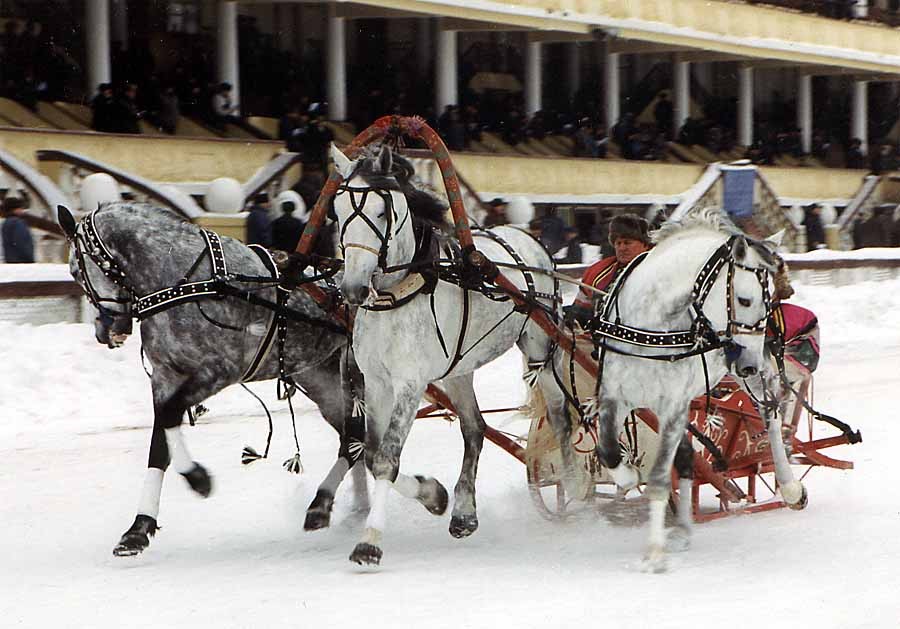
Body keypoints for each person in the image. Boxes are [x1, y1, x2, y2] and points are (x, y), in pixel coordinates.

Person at [564, 214, 652, 327]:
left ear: (645, 244)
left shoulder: (656, 271)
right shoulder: (598, 273)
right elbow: (582, 309)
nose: (621, 248)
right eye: (618, 243)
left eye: (627, 242)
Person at [1, 196, 35, 263]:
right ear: (15, 209)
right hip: (22, 261)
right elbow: (22, 243)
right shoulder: (18, 223)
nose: (22, 210)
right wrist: (30, 258)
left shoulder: (6, 223)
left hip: (10, 260)